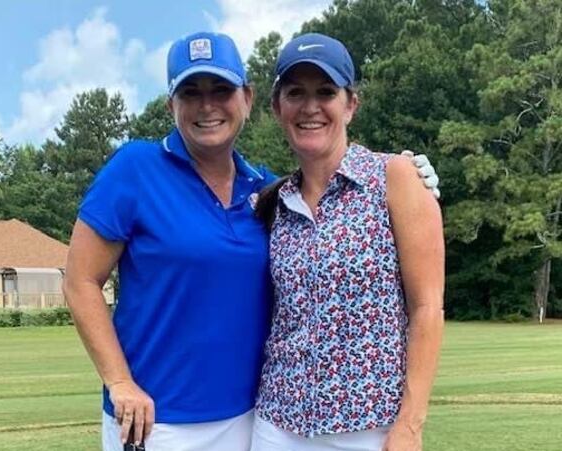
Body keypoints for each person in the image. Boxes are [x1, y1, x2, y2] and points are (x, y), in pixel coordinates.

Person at [63, 31, 439, 451]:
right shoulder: (136, 168)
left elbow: (424, 303)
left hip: (248, 419)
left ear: (248, 98)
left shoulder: (264, 190)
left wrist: (408, 176)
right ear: (171, 104)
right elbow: (80, 281)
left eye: (221, 89)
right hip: (157, 420)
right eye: (190, 92)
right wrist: (119, 381)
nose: (207, 105)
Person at [251, 33, 444, 451]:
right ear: (276, 107)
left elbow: (427, 308)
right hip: (277, 423)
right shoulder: (273, 202)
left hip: (370, 429)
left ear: (351, 104)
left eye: (326, 92)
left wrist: (410, 425)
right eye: (295, 93)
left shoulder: (394, 179)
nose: (310, 107)